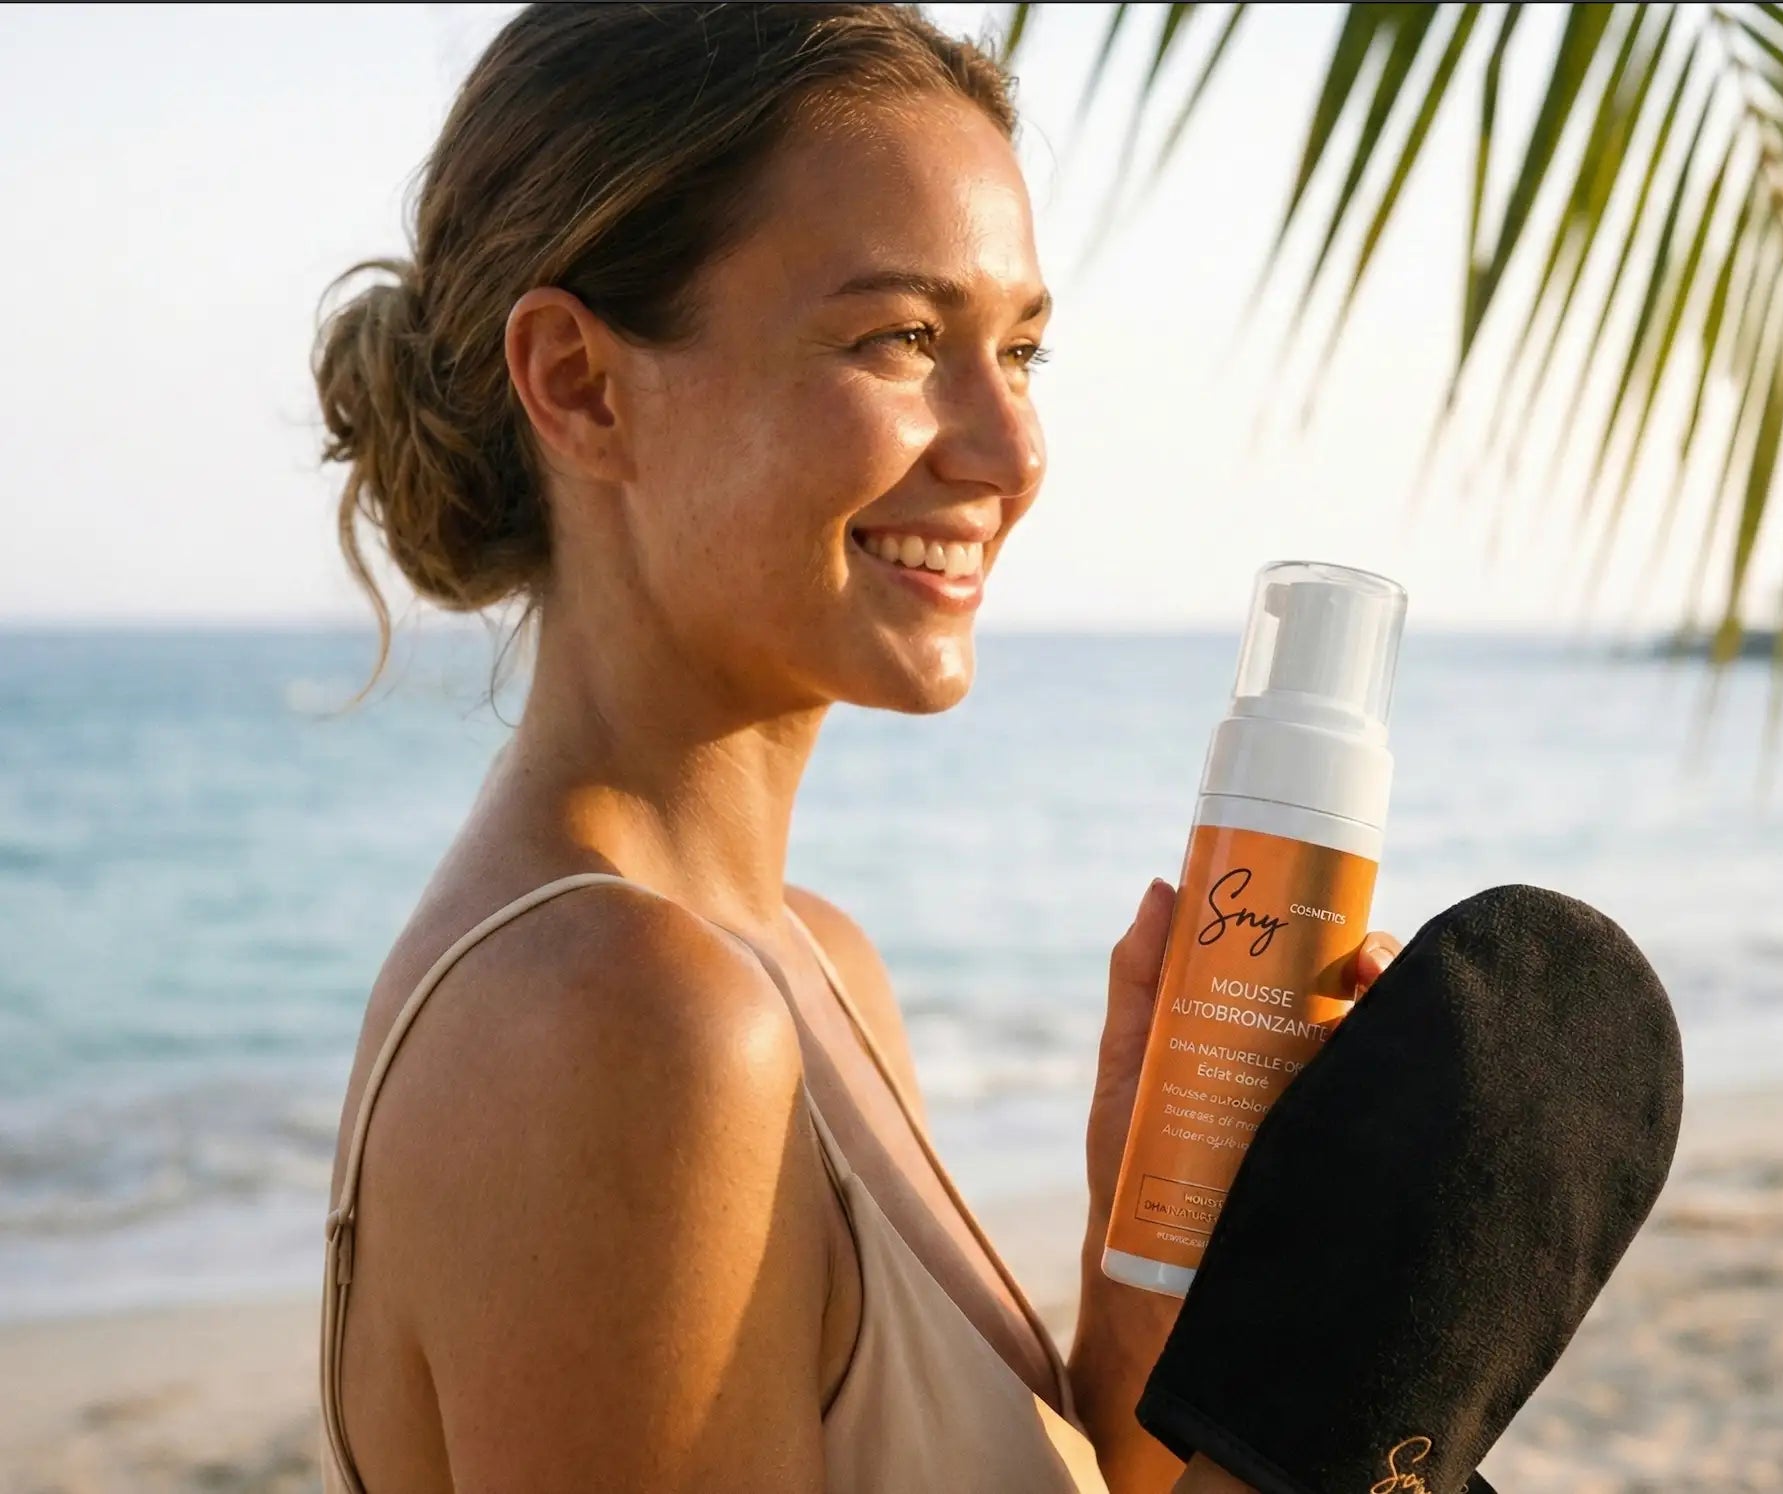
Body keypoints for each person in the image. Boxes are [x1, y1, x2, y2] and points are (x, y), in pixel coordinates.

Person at [309, 6, 1403, 1492]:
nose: (1011, 453)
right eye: (900, 338)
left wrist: (1157, 1250)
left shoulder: (804, 961)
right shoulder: (619, 1027)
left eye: (1020, 348)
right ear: (577, 381)